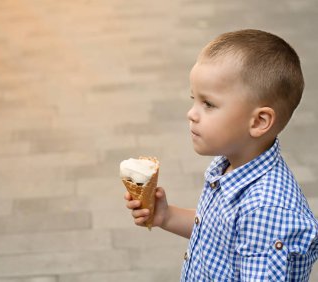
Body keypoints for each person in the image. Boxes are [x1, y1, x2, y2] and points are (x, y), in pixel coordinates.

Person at [124, 29, 318, 281]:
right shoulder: (230, 164)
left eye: (209, 104)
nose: (191, 114)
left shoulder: (266, 211)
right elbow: (219, 231)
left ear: (259, 121)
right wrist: (166, 216)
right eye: (194, 99)